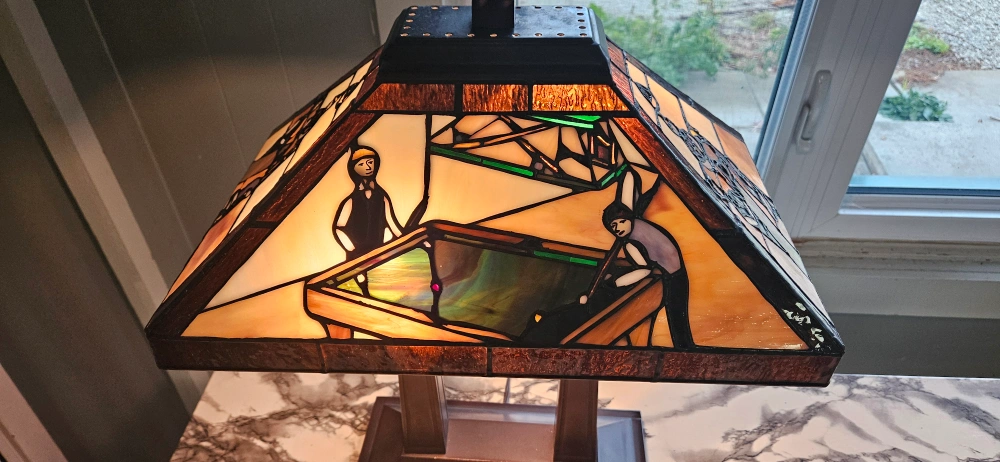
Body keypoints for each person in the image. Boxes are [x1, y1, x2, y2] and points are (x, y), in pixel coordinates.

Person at [588, 200, 692, 348]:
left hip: (671, 277)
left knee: (676, 319)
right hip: (677, 273)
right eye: (613, 226)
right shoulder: (640, 225)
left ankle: (683, 349)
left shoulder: (631, 242)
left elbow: (643, 270)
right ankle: (683, 347)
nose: (617, 229)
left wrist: (614, 283)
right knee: (677, 320)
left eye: (621, 222)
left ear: (629, 218)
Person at [333, 146, 402, 296]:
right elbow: (339, 227)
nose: (368, 167)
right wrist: (351, 248)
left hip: (378, 249)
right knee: (362, 282)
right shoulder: (352, 200)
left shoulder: (381, 196)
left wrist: (404, 240)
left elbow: (391, 222)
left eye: (370, 162)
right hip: (357, 253)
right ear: (354, 169)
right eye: (361, 164)